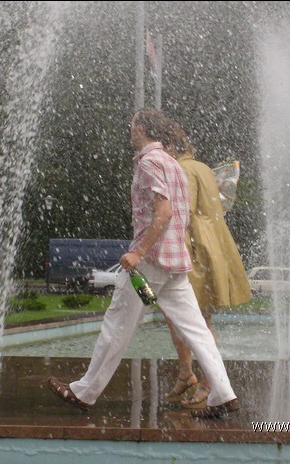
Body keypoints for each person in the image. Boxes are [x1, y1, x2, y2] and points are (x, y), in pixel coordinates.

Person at [48, 108, 239, 419]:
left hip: (148, 263)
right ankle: (223, 394)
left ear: (144, 129)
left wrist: (139, 253)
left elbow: (162, 213)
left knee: (116, 326)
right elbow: (182, 214)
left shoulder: (150, 162)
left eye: (133, 124)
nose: (129, 129)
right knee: (198, 331)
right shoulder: (174, 164)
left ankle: (84, 393)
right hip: (175, 263)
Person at [161, 121, 252, 408]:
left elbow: (182, 213)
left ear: (171, 146)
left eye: (162, 146)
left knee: (197, 320)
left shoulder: (182, 170)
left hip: (195, 248)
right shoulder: (200, 167)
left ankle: (208, 383)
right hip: (214, 244)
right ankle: (188, 373)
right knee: (183, 315)